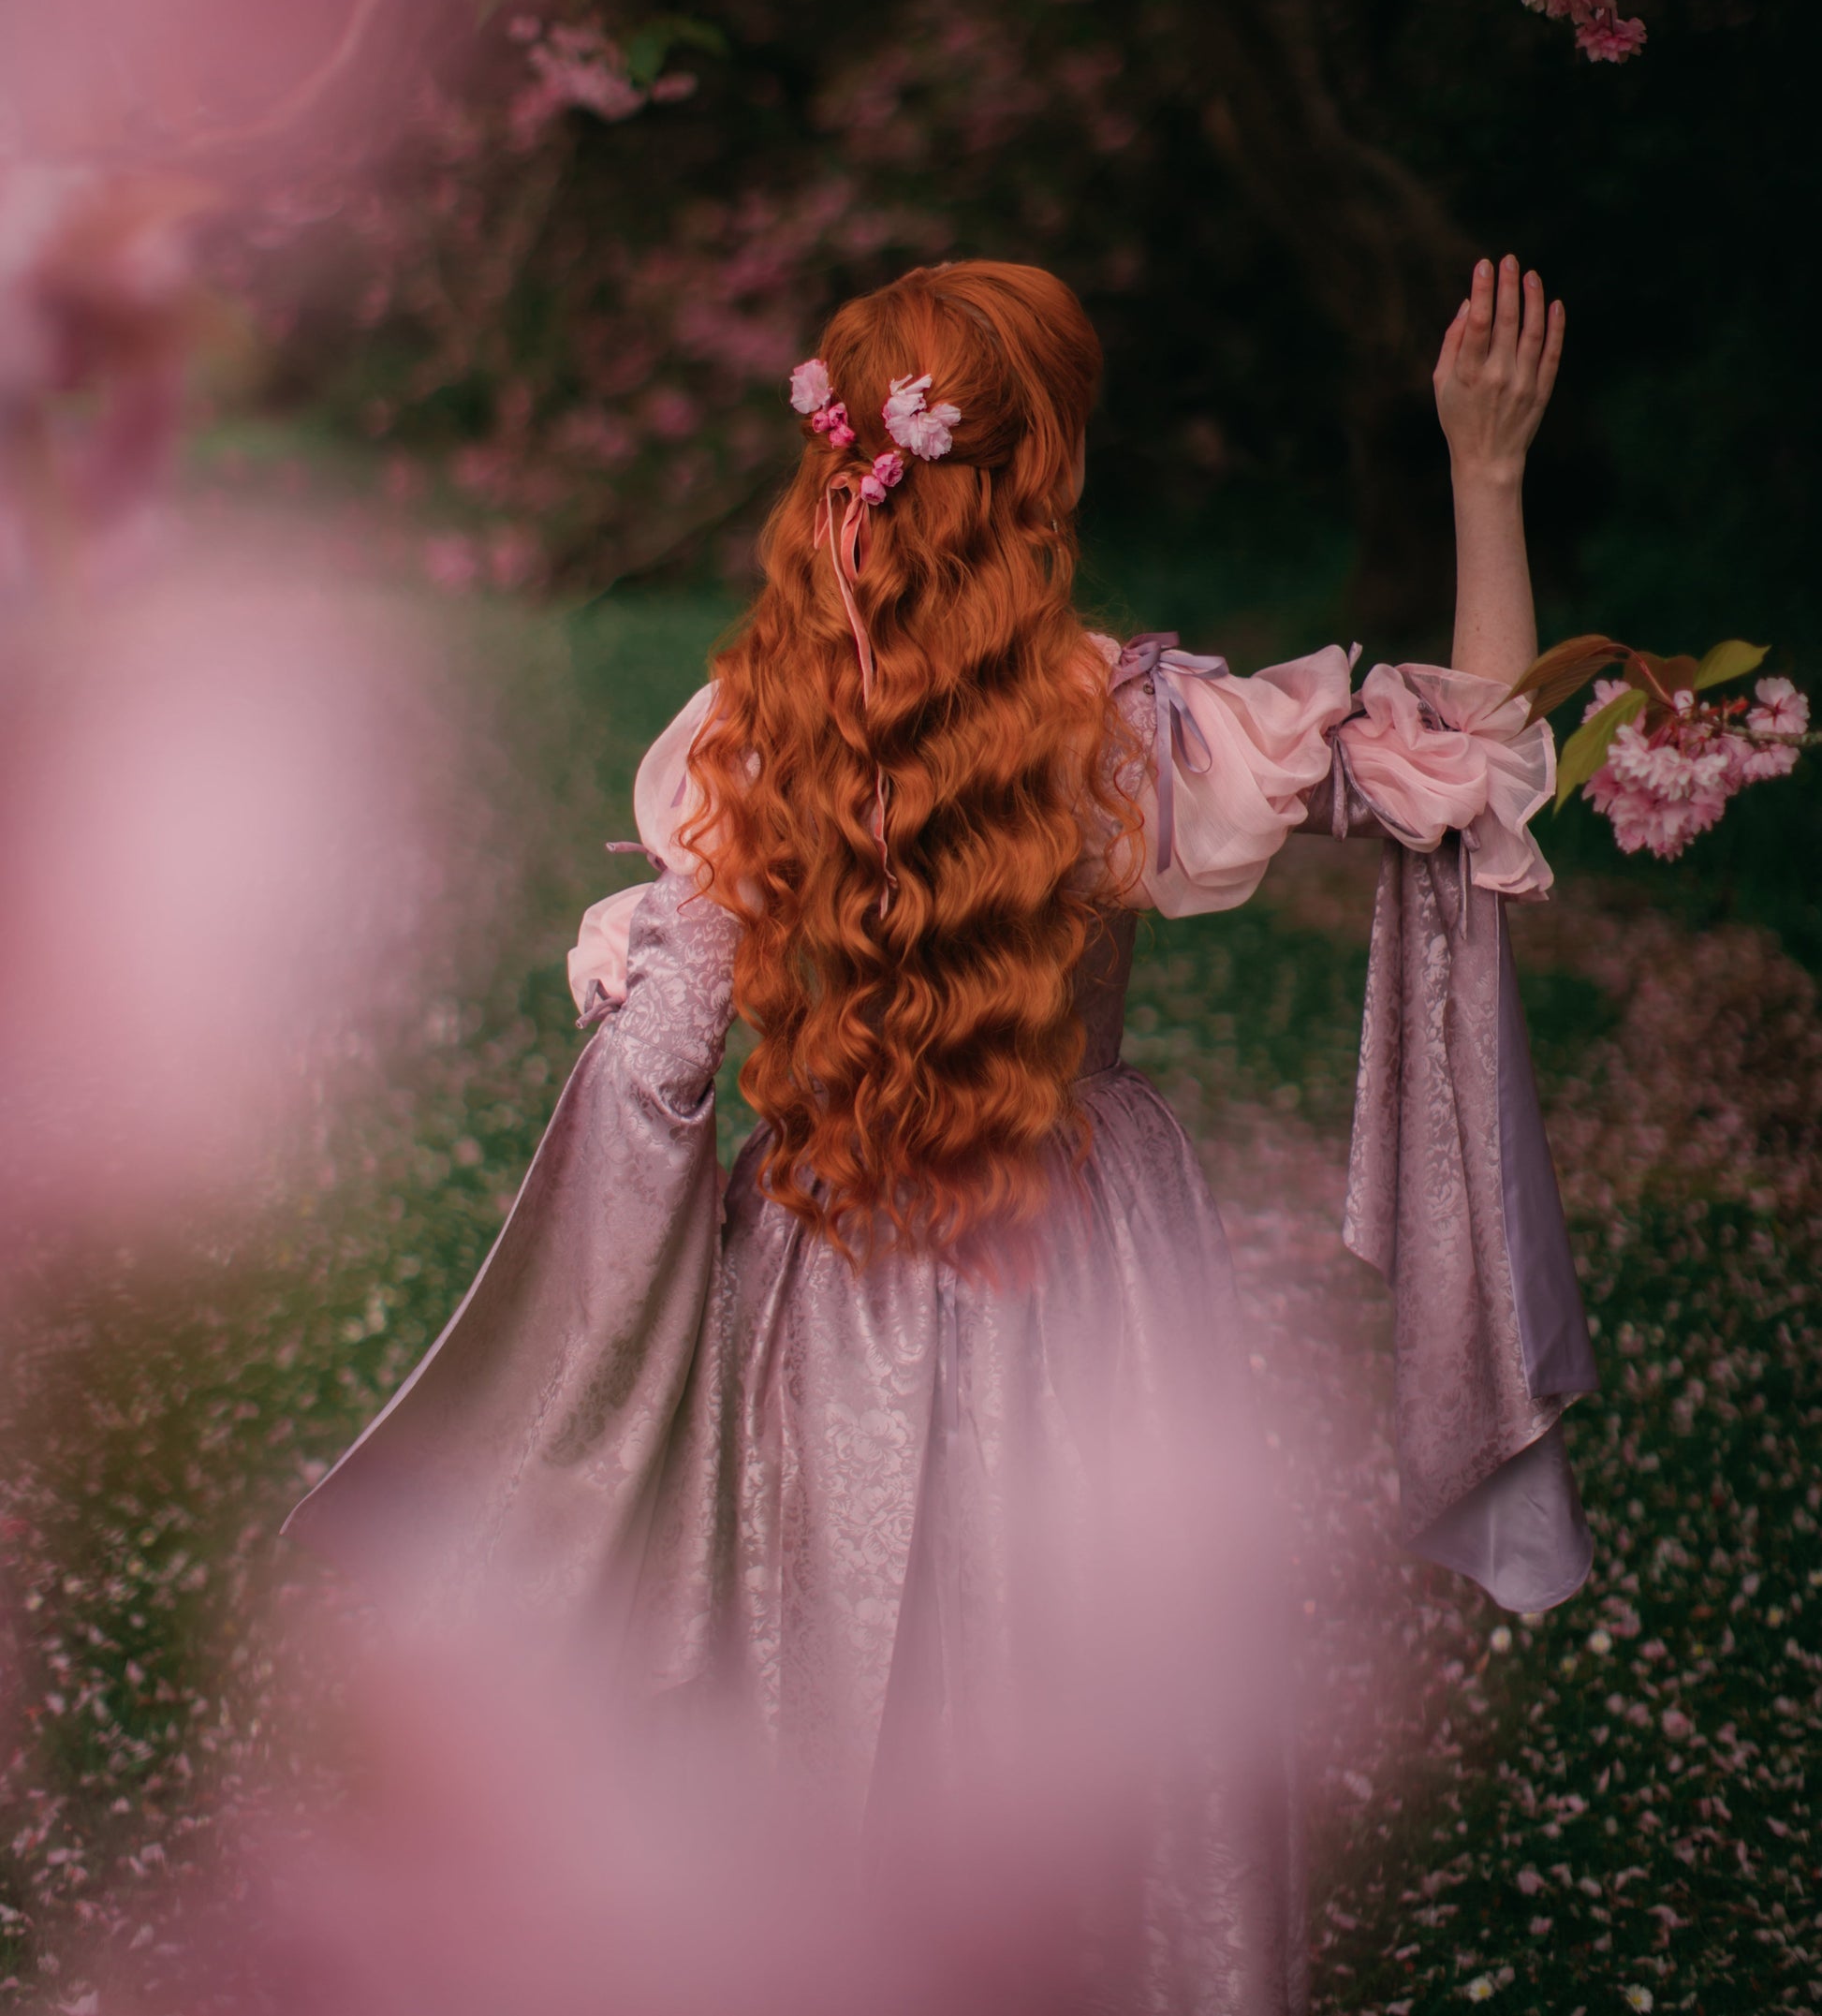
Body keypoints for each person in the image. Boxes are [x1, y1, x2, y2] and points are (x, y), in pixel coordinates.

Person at [285, 255, 1596, 2013]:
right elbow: (1471, 762)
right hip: (1093, 1280)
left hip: (820, 1275)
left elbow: (674, 1029)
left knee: (821, 1682)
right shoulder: (1142, 734)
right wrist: (1486, 479)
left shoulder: (756, 727)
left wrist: (639, 967)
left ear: (844, 455)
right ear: (1043, 473)